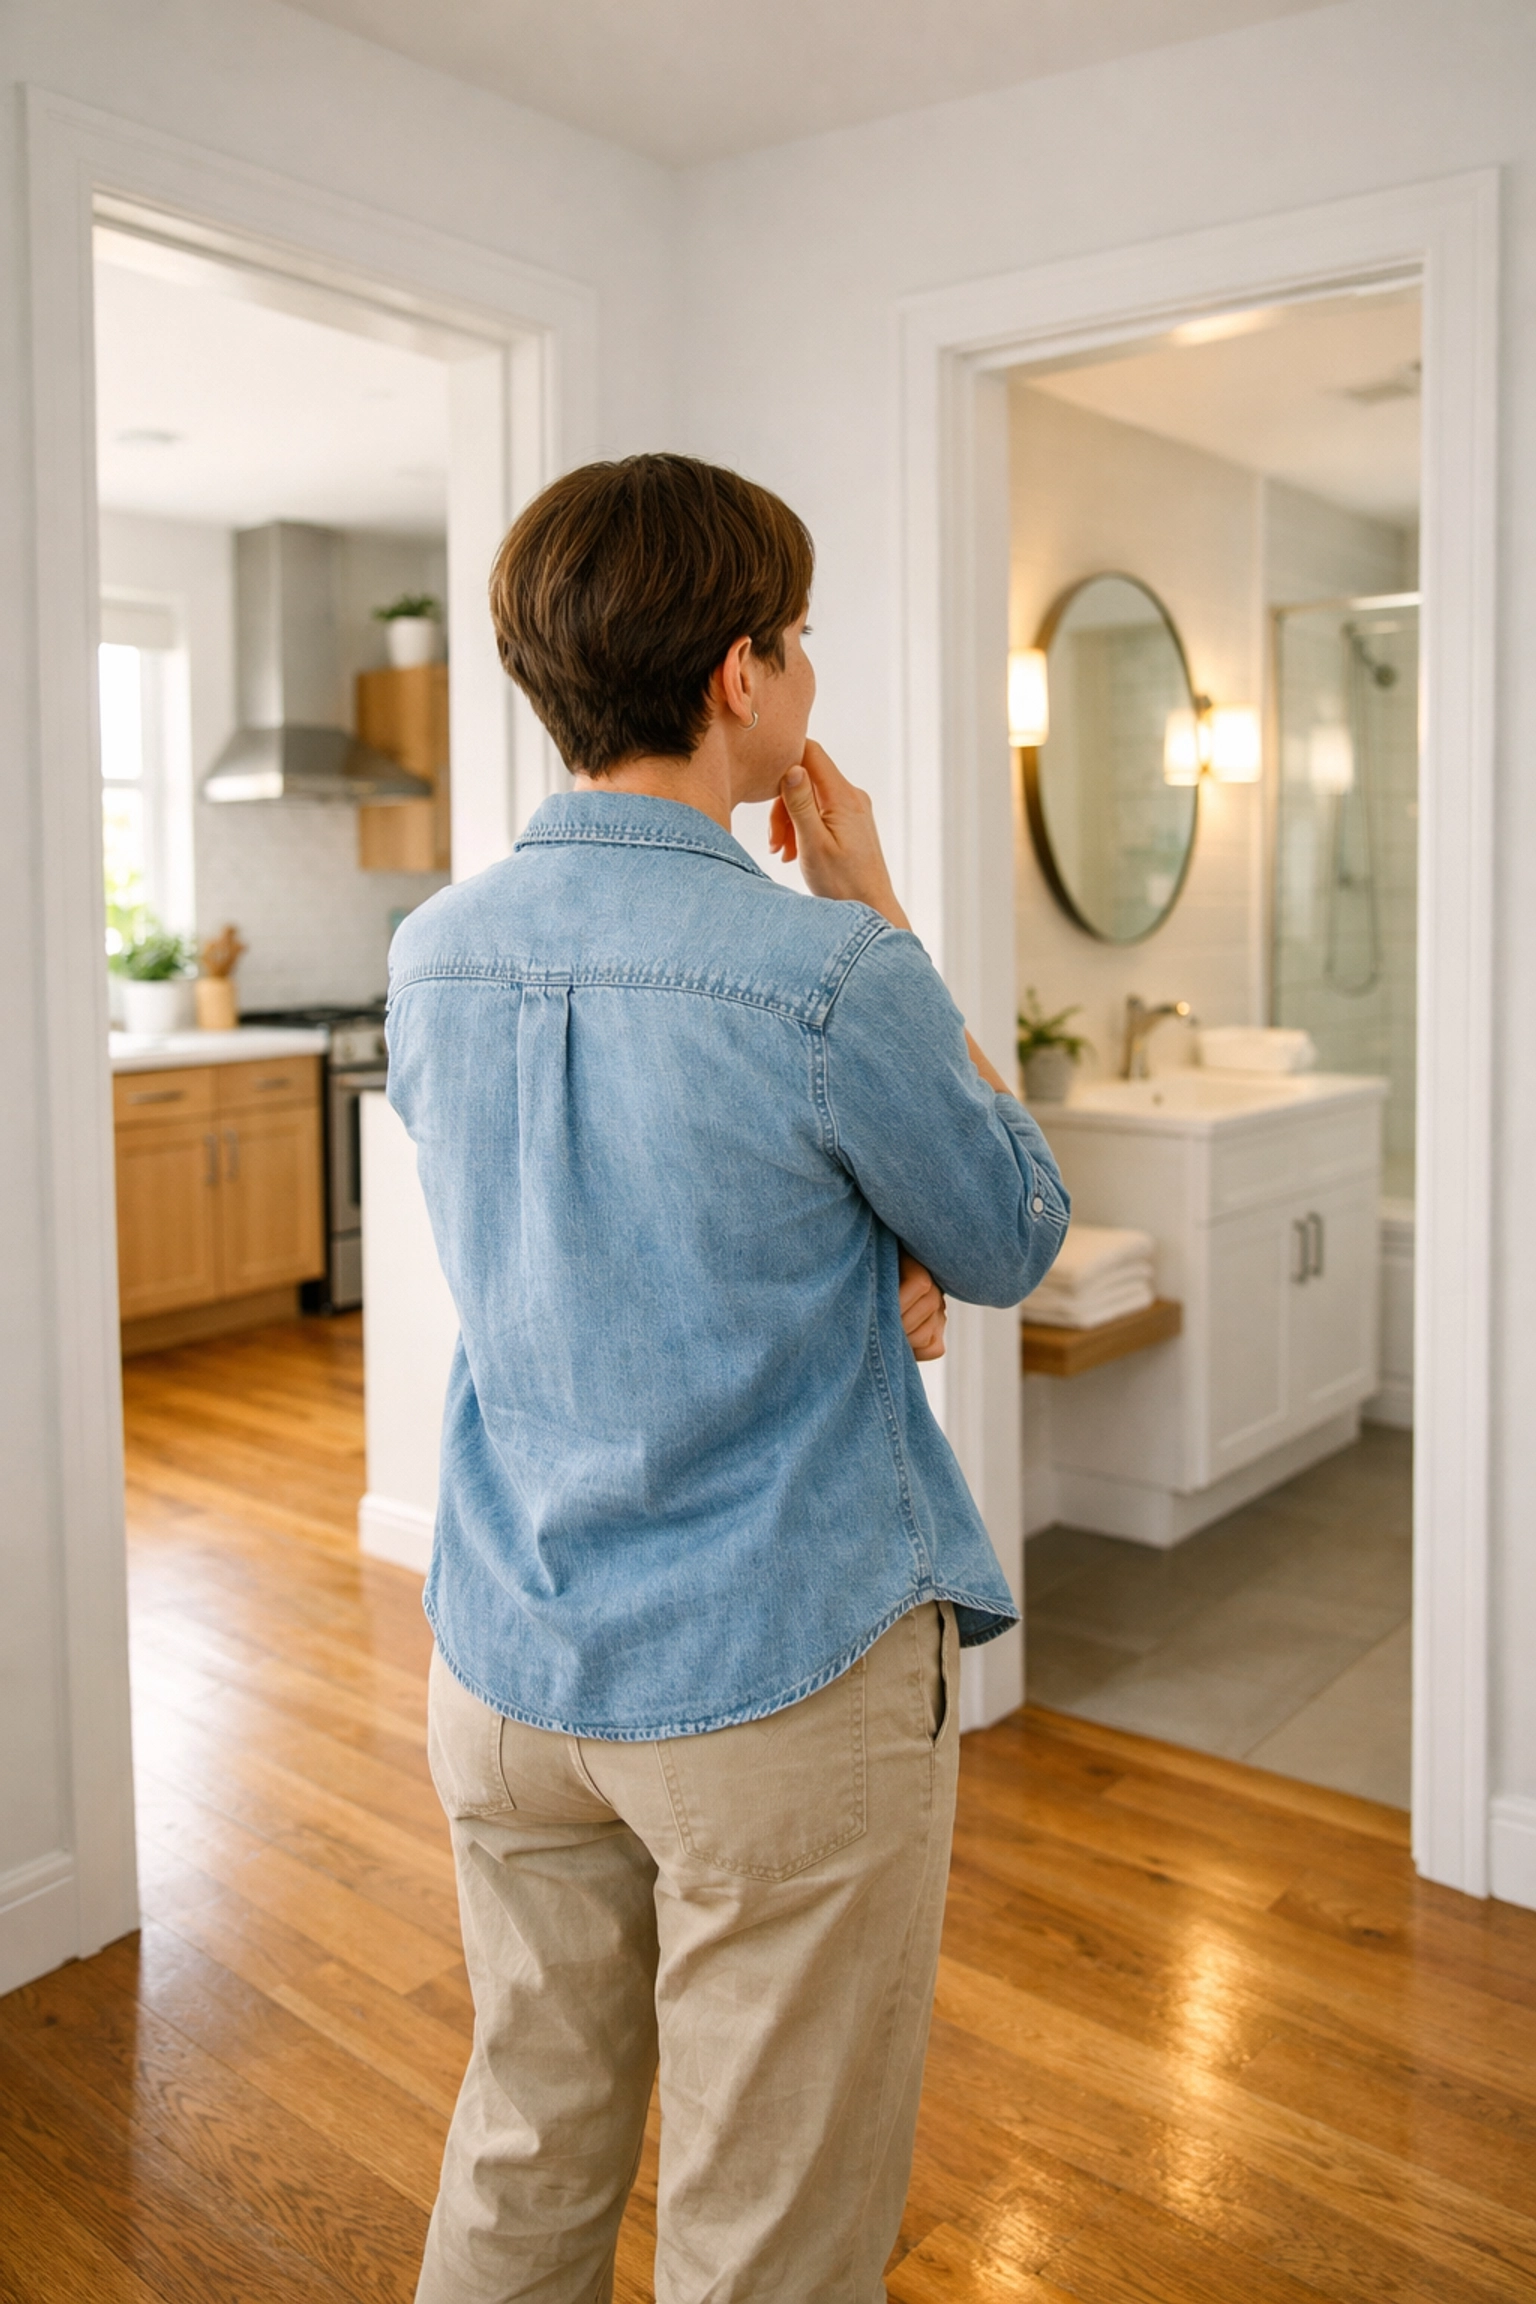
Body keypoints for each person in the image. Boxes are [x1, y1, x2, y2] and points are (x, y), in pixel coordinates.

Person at [387, 453, 1068, 2304]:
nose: (808, 678)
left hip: (512, 1657)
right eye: (804, 641)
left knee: (526, 2137)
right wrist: (888, 919)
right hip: (771, 1671)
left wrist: (860, 1270)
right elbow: (1011, 1232)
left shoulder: (433, 957)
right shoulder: (824, 969)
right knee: (765, 2222)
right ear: (738, 676)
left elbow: (612, 1243)